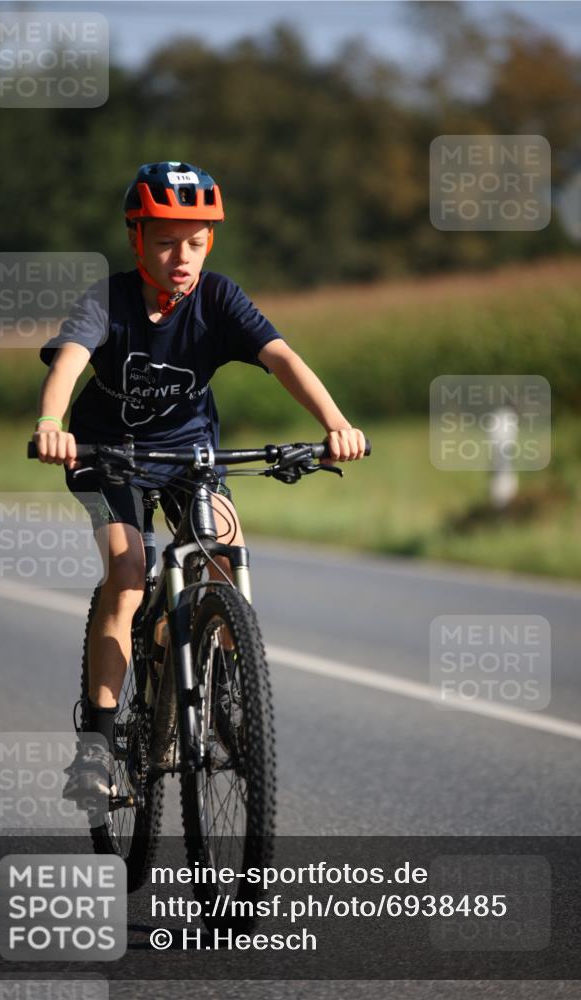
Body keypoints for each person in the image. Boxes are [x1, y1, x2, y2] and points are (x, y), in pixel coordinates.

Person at [34, 160, 366, 804]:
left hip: (191, 457)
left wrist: (336, 424)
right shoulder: (109, 299)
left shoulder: (219, 298)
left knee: (224, 555)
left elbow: (282, 358)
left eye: (195, 241)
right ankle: (96, 750)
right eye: (163, 241)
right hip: (108, 454)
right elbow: (70, 362)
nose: (181, 256)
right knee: (129, 576)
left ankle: (212, 678)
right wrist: (51, 422)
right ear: (136, 239)